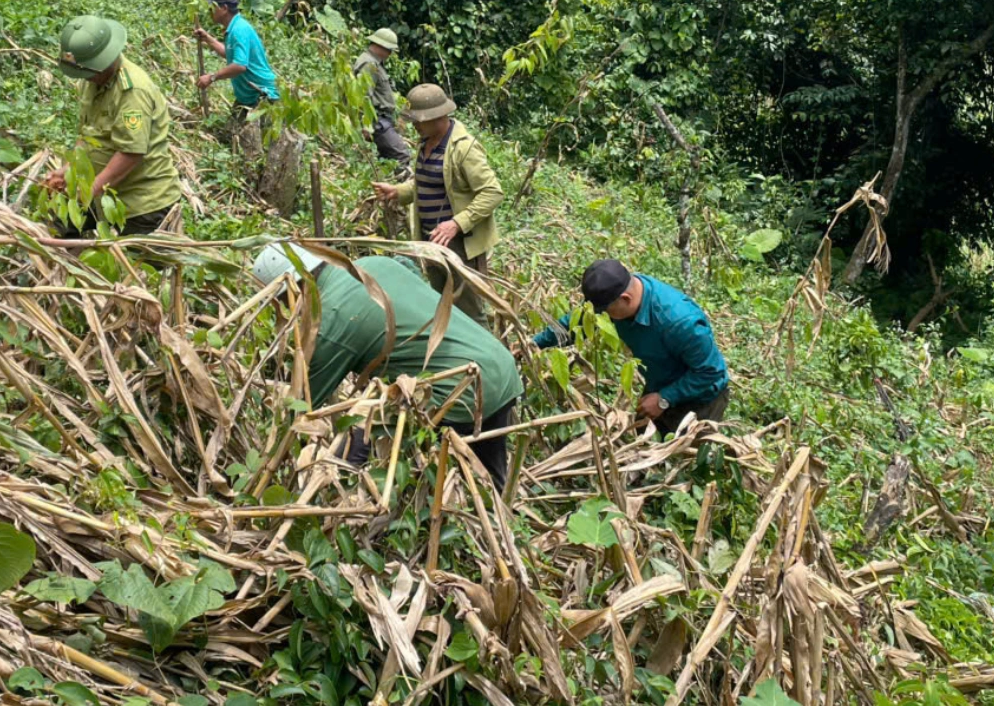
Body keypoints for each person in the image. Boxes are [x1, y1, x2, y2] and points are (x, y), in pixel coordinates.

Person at [253, 244, 523, 489]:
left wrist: (263, 460)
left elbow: (302, 407)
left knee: (355, 445)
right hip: (500, 367)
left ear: (291, 292)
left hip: (458, 390)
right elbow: (407, 271)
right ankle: (501, 527)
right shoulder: (372, 264)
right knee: (489, 481)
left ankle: (348, 509)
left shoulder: (330, 323)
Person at [530, 259, 729, 434]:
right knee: (643, 447)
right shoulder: (617, 295)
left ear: (626, 299)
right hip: (658, 382)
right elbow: (576, 324)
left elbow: (710, 372)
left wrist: (664, 399)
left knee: (684, 461)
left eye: (603, 311)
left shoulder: (679, 322)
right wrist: (533, 344)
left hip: (699, 400)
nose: (599, 317)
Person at [370, 84, 503, 325]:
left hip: (460, 245)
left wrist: (456, 223)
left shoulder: (463, 148)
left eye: (419, 120)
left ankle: (484, 360)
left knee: (470, 313)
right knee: (443, 306)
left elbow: (492, 192)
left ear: (437, 117)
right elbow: (426, 183)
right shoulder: (426, 142)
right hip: (432, 242)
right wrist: (398, 192)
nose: (414, 125)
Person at [45, 15, 181, 236]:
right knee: (57, 231)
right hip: (102, 193)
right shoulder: (93, 81)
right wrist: (67, 172)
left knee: (137, 267)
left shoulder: (133, 91)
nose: (85, 78)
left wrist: (90, 190)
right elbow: (89, 135)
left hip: (141, 204)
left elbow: (131, 153)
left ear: (104, 61)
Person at [193, 0, 280, 111]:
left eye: (213, 7)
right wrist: (208, 39)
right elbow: (229, 54)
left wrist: (211, 77)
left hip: (261, 96)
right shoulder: (234, 27)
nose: (210, 11)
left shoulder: (239, 30)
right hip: (248, 97)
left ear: (224, 9)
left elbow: (239, 66)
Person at [352, 28, 411, 168]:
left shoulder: (374, 62)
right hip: (377, 122)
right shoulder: (369, 64)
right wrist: (366, 125)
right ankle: (400, 189)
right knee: (402, 155)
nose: (390, 54)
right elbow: (364, 96)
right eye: (389, 50)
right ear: (380, 46)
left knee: (385, 161)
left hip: (382, 120)